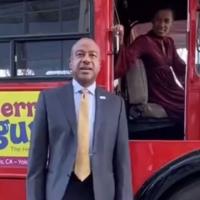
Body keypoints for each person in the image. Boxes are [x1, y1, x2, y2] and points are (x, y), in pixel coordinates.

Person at [27, 38, 133, 200]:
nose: (86, 60)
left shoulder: (115, 105)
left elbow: (122, 165)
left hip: (101, 193)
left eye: (92, 55)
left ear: (99, 64)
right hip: (61, 192)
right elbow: (36, 163)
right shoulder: (49, 100)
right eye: (80, 54)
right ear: (71, 63)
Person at [114, 7, 186, 121]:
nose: (162, 25)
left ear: (172, 23)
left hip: (172, 89)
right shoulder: (143, 41)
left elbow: (180, 67)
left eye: (166, 21)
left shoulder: (169, 42)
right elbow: (127, 58)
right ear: (152, 21)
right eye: (158, 20)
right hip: (158, 92)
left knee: (193, 100)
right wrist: (121, 39)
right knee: (188, 106)